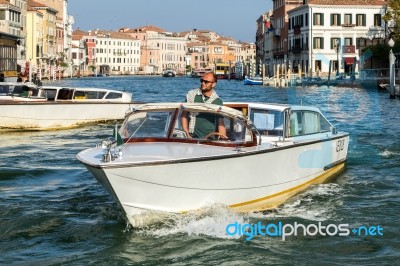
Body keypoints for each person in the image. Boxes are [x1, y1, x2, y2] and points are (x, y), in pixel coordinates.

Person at [181, 72, 226, 139]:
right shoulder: (191, 95)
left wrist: (223, 139)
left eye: (206, 82)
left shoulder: (217, 101)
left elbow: (220, 123)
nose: (203, 83)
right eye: (202, 80)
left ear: (213, 84)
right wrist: (187, 134)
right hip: (191, 137)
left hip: (210, 139)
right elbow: (184, 115)